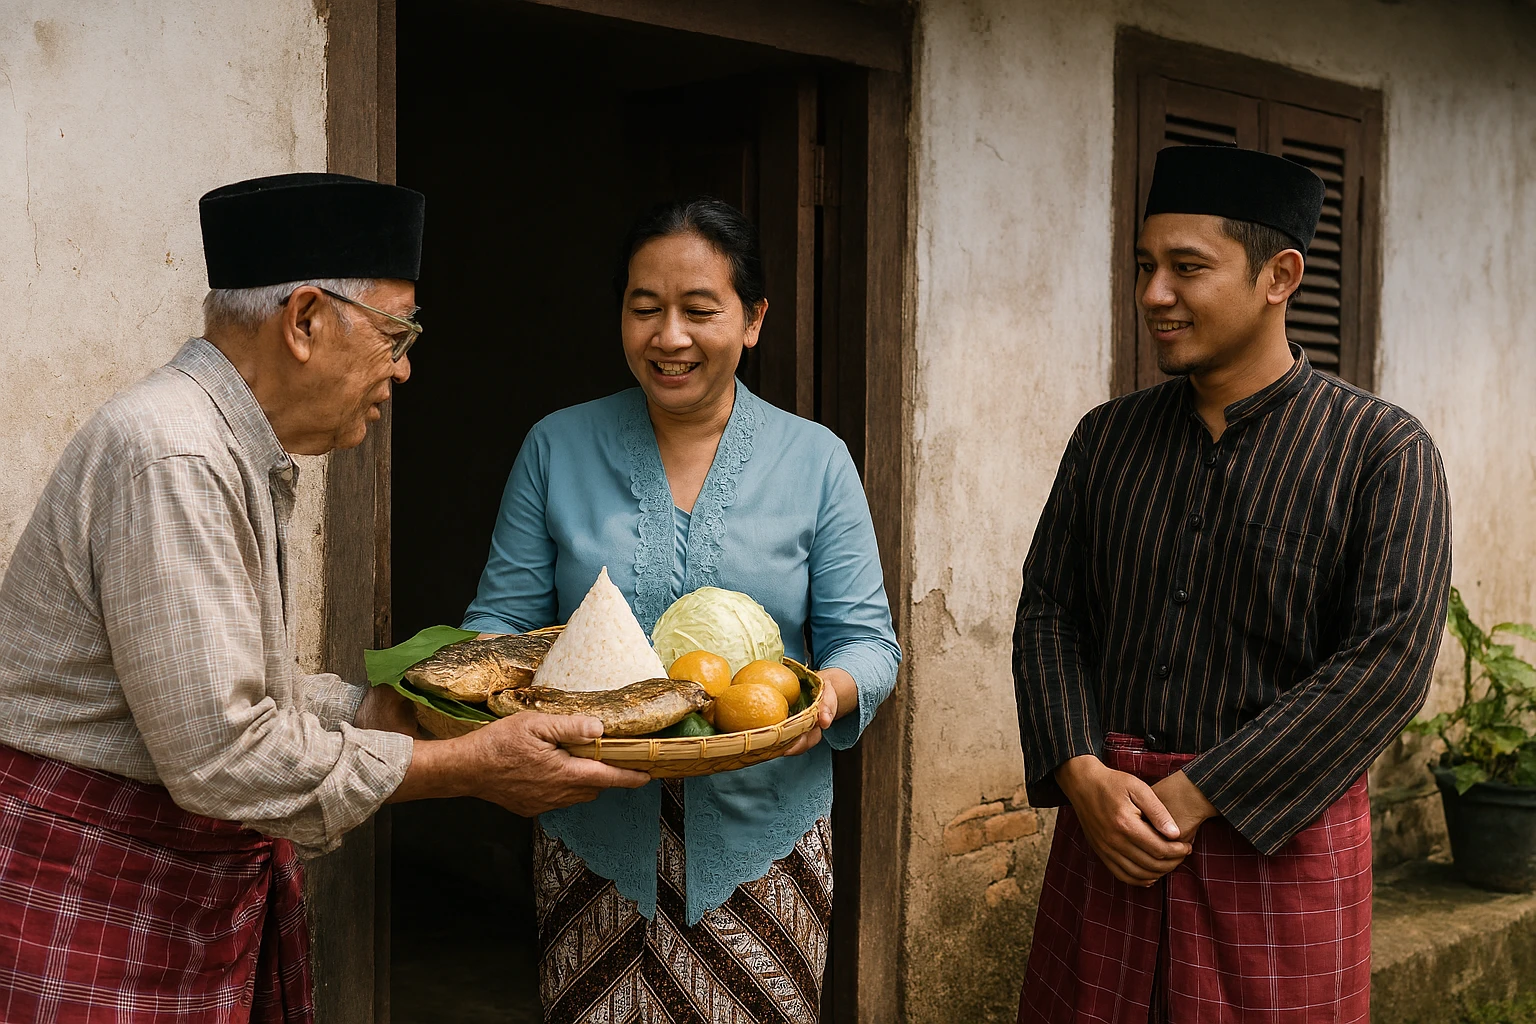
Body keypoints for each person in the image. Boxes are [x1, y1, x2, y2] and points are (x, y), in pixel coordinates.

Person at [0, 172, 646, 1023]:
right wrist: (465, 769)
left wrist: (376, 705)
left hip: (161, 887)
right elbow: (224, 754)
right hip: (95, 883)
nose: (406, 369)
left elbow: (229, 695)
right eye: (397, 333)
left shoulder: (222, 447)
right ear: (305, 321)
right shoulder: (176, 455)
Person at [1012, 146, 1452, 1023]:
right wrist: (1082, 773)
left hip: (1277, 841)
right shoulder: (1106, 440)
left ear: (1278, 276)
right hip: (1113, 829)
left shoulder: (1382, 451)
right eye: (1146, 266)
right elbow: (1050, 615)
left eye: (1187, 268)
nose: (1154, 295)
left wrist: (1198, 793)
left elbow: (1387, 663)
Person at [463, 196, 901, 1024]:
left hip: (764, 841)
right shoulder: (555, 447)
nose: (669, 337)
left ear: (753, 319)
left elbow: (869, 644)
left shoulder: (816, 461)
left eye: (700, 310)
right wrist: (491, 712)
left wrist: (823, 701)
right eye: (644, 308)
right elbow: (498, 627)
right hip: (590, 835)